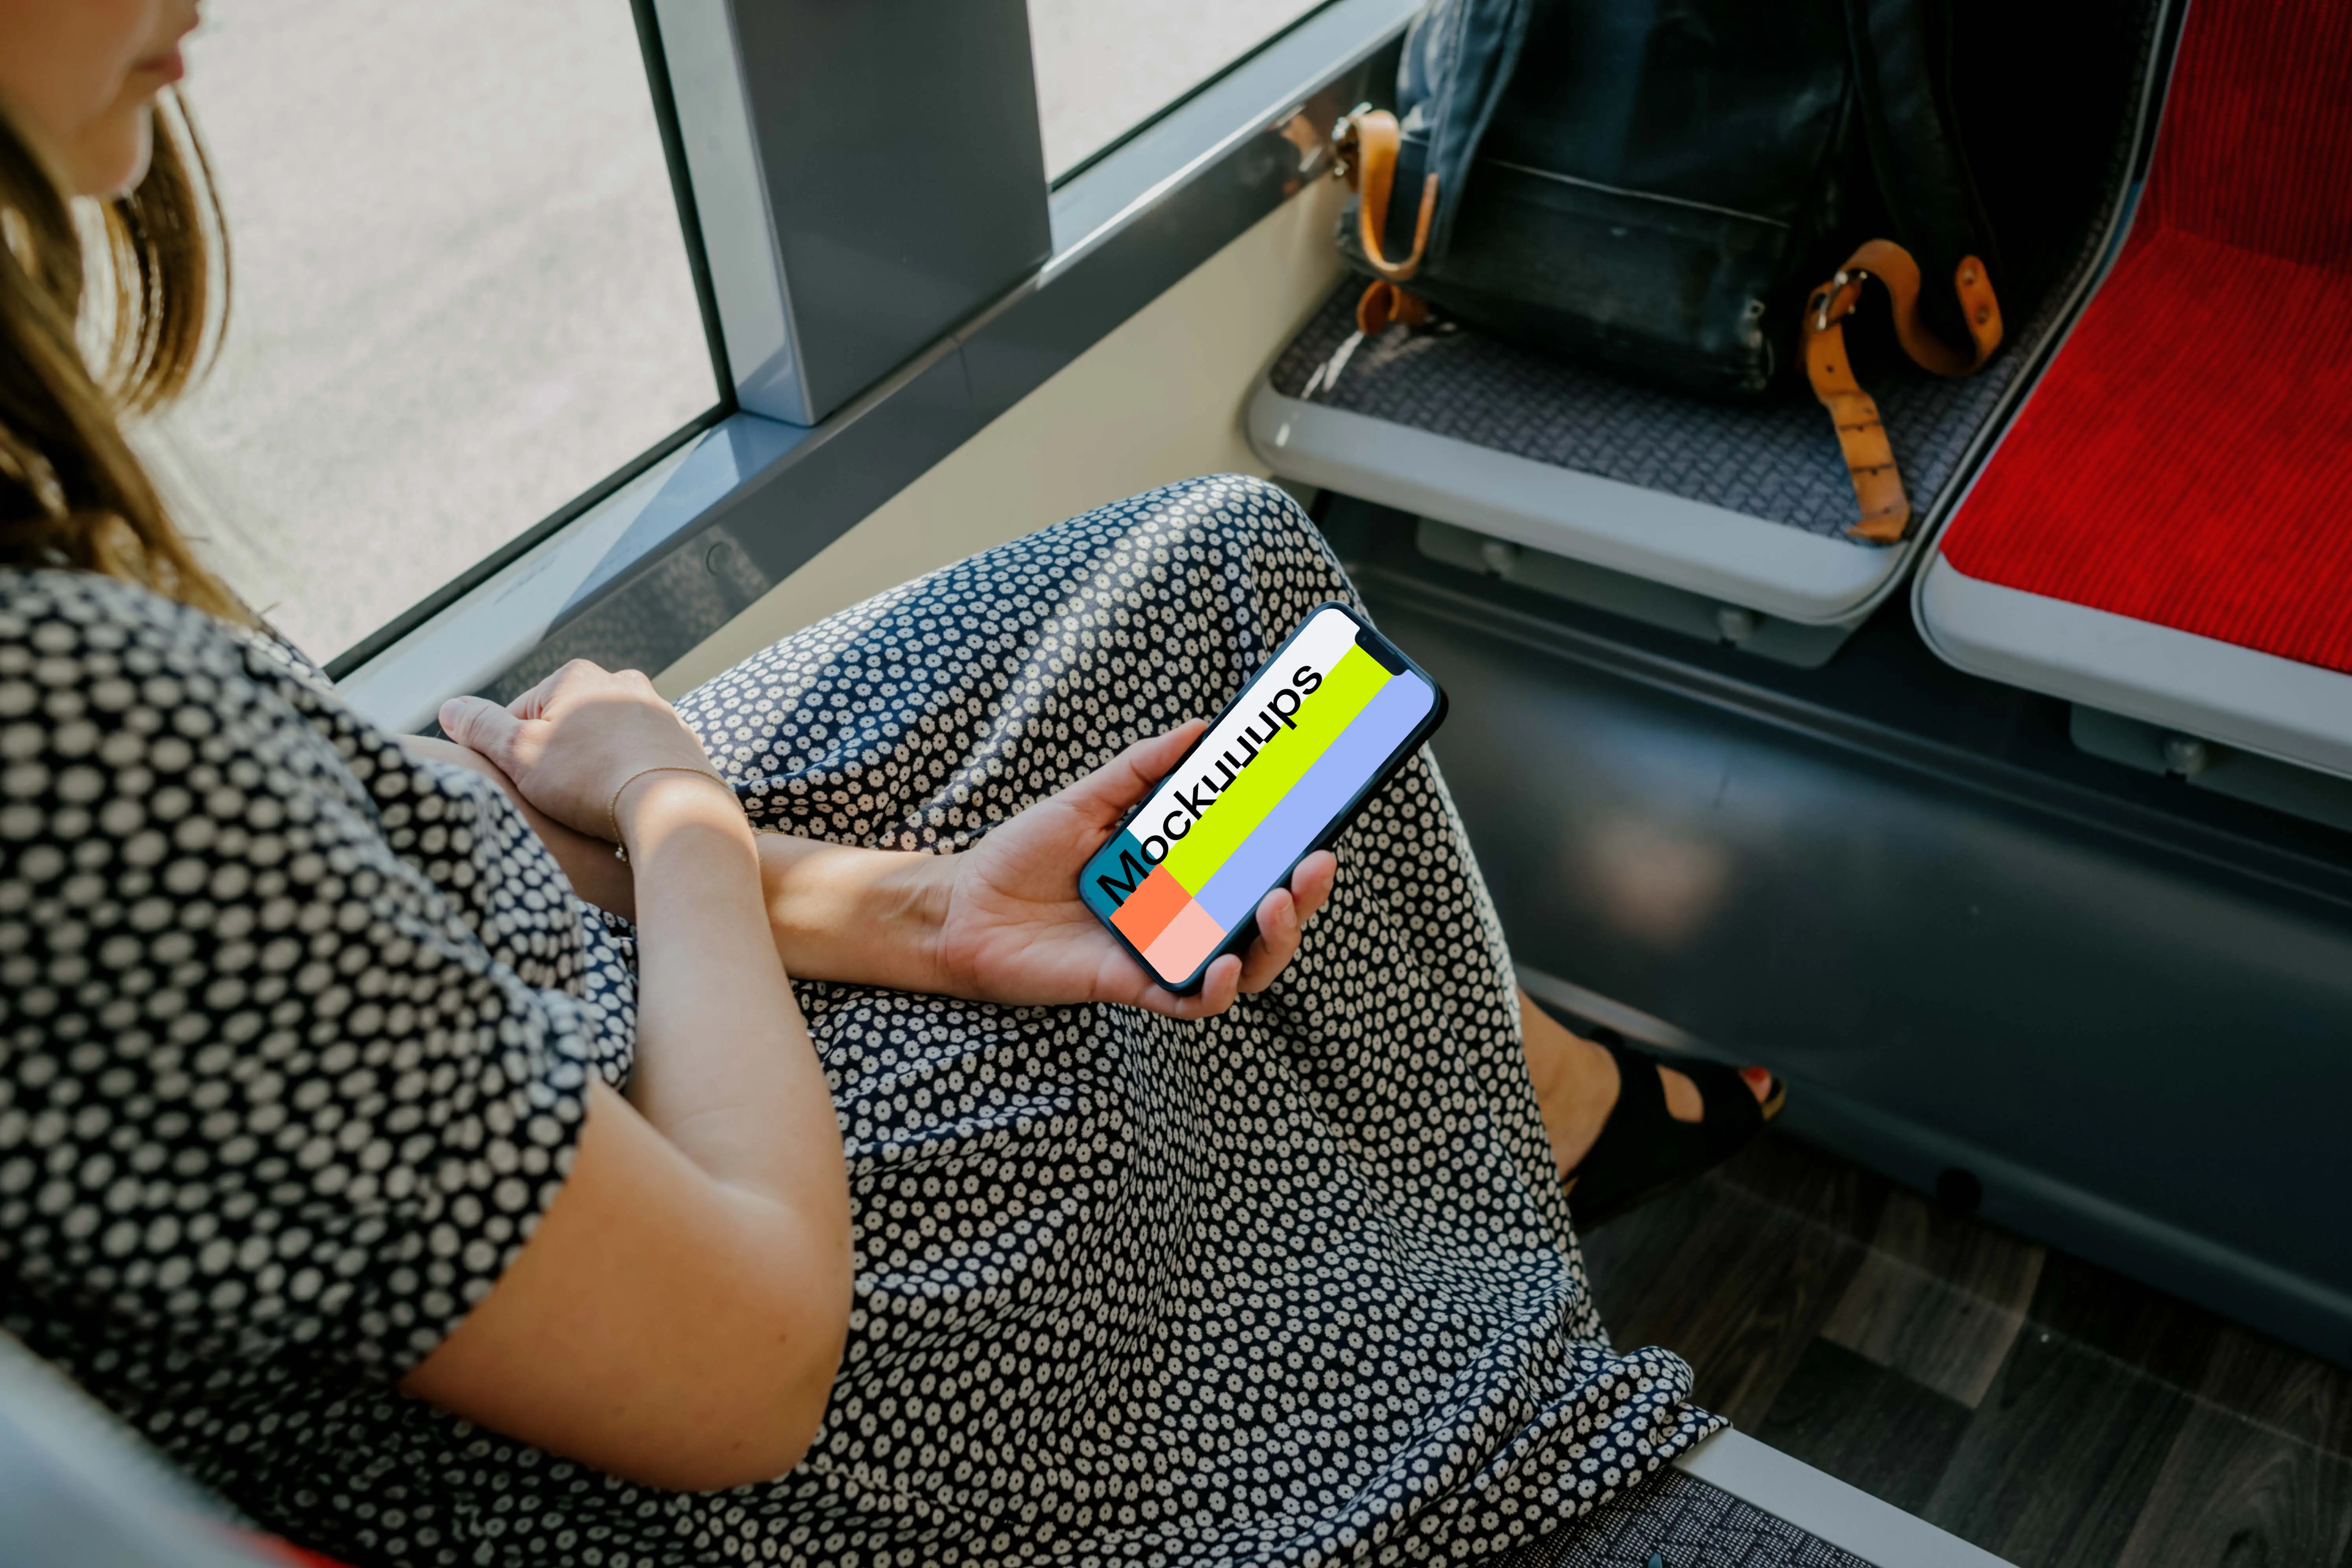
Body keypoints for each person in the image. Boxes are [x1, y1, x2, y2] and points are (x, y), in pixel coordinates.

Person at [0, 3, 1781, 1563]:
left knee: (1222, 581)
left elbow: (332, 945)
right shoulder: (61, 727)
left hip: (543, 968)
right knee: (1164, 1013)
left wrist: (919, 908)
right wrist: (677, 812)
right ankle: (1525, 1168)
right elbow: (747, 1360)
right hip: (713, 1289)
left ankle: (1530, 1115)